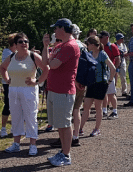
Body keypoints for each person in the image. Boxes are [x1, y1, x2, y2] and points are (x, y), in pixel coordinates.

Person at [0, 32, 49, 156]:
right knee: (16, 117)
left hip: (29, 91)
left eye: (26, 41)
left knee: (30, 117)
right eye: (21, 42)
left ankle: (32, 144)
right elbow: (2, 68)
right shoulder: (12, 57)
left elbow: (46, 69)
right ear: (15, 44)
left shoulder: (33, 56)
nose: (24, 44)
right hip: (13, 90)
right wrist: (7, 80)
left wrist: (37, 81)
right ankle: (16, 144)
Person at [42, 18, 80, 166]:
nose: (54, 31)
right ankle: (63, 151)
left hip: (64, 91)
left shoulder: (69, 46)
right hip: (55, 89)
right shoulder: (60, 45)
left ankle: (66, 155)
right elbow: (46, 62)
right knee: (60, 124)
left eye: (56, 28)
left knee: (64, 124)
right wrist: (45, 46)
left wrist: (49, 56)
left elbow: (53, 65)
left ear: (62, 29)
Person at [79, 35, 116, 136]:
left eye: (88, 44)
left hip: (101, 83)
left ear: (92, 44)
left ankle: (96, 129)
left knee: (98, 107)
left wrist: (109, 80)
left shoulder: (102, 54)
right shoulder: (90, 53)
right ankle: (80, 128)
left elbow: (113, 68)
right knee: (86, 106)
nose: (87, 46)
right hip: (91, 83)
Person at [99, 31, 120, 119]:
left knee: (111, 93)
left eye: (101, 37)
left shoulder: (112, 46)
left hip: (109, 72)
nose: (99, 39)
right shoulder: (100, 47)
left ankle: (115, 111)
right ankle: (104, 110)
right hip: (102, 73)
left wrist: (113, 71)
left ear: (106, 37)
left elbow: (118, 59)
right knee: (103, 93)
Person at [0, 33, 17, 137]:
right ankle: (3, 129)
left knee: (15, 105)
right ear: (14, 43)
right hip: (8, 83)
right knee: (8, 105)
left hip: (16, 83)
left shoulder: (13, 52)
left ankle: (13, 128)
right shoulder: (7, 53)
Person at [45, 33, 62, 132]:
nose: (55, 44)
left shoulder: (62, 50)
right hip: (50, 81)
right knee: (50, 104)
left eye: (56, 42)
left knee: (58, 107)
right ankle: (50, 123)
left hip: (59, 84)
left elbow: (50, 63)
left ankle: (57, 126)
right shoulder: (52, 50)